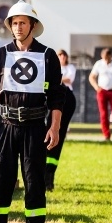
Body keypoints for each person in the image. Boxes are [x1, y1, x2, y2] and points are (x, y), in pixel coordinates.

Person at [0, 1, 63, 223]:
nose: (18, 27)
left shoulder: (48, 56)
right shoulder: (0, 55)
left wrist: (54, 127)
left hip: (35, 127)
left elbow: (57, 97)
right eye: (14, 23)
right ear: (10, 26)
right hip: (4, 126)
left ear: (32, 25)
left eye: (23, 22)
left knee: (34, 183)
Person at [45, 49, 77, 191]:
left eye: (64, 55)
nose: (62, 57)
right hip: (49, 98)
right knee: (44, 136)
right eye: (59, 55)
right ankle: (41, 174)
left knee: (57, 135)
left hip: (66, 99)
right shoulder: (49, 66)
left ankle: (49, 175)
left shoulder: (70, 68)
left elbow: (68, 80)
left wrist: (57, 79)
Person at [88, 48, 112, 142]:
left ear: (111, 55)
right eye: (104, 58)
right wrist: (96, 87)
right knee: (103, 114)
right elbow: (92, 77)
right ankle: (106, 135)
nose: (106, 60)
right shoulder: (99, 64)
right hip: (102, 91)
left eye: (107, 58)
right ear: (102, 56)